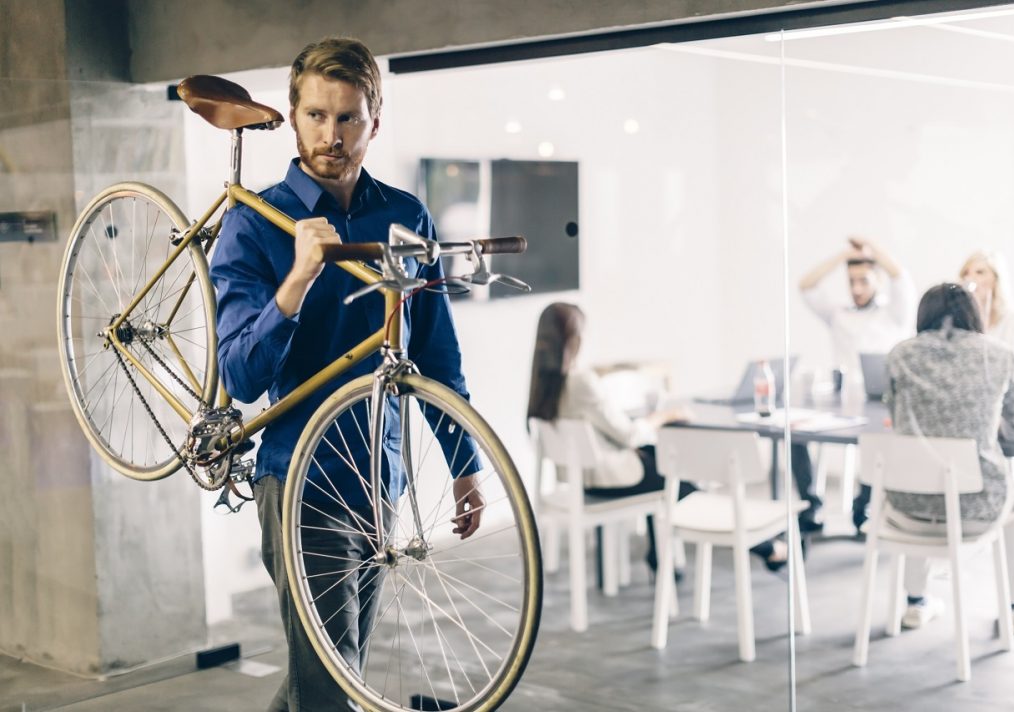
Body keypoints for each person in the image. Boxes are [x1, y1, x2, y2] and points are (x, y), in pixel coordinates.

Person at [210, 38, 480, 711]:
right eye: (316, 116)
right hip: (302, 480)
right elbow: (241, 375)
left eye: (349, 118)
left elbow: (434, 351)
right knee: (332, 686)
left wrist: (463, 459)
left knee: (332, 671)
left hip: (380, 477)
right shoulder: (254, 224)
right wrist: (297, 279)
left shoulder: (405, 216)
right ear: (295, 118)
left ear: (374, 122)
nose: (331, 136)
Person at [526, 303, 788, 572]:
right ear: (576, 339)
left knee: (659, 461)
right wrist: (666, 415)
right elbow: (627, 435)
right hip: (609, 480)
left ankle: (660, 555)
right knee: (679, 482)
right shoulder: (581, 381)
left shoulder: (542, 383)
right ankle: (767, 547)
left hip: (581, 479)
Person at [883, 283, 1014, 632]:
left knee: (924, 473)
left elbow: (894, 411)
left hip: (907, 508)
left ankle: (915, 602)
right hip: (976, 508)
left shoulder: (900, 355)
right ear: (973, 316)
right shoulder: (1001, 356)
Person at [798, 236, 916, 533]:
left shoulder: (894, 313)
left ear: (877, 278)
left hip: (880, 405)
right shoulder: (839, 314)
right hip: (839, 402)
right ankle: (810, 504)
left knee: (880, 438)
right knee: (794, 432)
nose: (857, 289)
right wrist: (843, 257)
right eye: (851, 282)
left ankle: (864, 499)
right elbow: (806, 286)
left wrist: (873, 249)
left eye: (864, 280)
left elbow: (900, 276)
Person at [959, 249, 1014, 356]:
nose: (970, 278)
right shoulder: (960, 316)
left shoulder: (1011, 317)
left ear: (996, 278)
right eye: (966, 273)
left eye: (980, 272)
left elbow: (1012, 362)